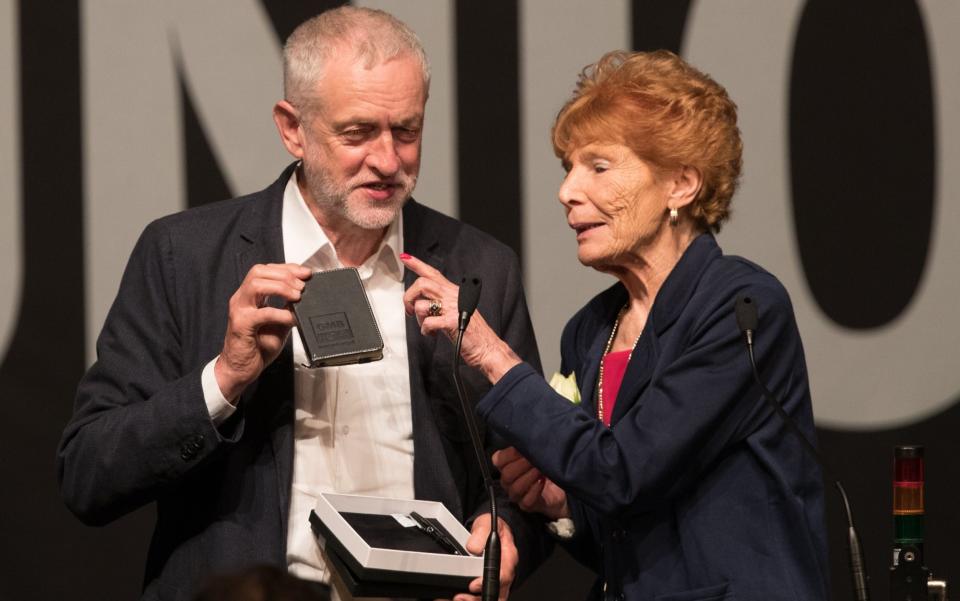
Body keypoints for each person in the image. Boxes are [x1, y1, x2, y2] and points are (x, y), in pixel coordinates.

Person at [57, 7, 547, 601]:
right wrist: (224, 380)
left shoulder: (479, 267)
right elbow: (88, 475)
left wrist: (505, 533)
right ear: (292, 128)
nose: (389, 161)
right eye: (358, 133)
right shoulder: (183, 255)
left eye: (407, 130)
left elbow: (524, 477)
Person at [403, 50, 829, 601]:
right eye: (568, 168)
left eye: (598, 167)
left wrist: (491, 353)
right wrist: (563, 506)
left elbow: (626, 470)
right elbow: (626, 529)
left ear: (681, 184)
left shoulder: (742, 306)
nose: (567, 192)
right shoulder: (591, 329)